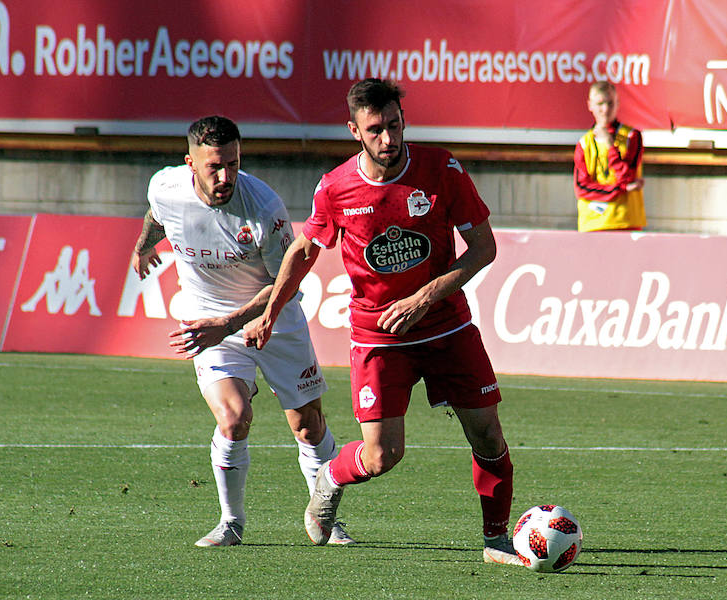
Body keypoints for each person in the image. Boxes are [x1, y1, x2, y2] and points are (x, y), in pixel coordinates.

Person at [244, 79, 521, 566]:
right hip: (378, 336)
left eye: (394, 125)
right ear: (355, 130)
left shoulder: (442, 169)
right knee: (381, 457)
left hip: (447, 325)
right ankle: (329, 478)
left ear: (403, 119)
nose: (388, 139)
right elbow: (305, 250)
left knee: (488, 433)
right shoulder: (335, 187)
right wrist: (269, 313)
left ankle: (496, 541)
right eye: (376, 130)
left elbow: (484, 248)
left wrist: (426, 295)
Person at [131, 115, 352, 546]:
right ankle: (230, 523)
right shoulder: (166, 186)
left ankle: (325, 518)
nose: (226, 175)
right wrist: (143, 246)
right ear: (189, 164)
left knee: (308, 427)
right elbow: (159, 216)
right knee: (233, 419)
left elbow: (284, 281)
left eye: (232, 163)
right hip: (208, 320)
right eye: (214, 166)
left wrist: (233, 323)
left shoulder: (264, 207)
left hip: (275, 318)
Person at [573, 81, 646, 232]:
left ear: (618, 103)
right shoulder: (584, 143)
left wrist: (610, 145)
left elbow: (628, 177)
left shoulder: (631, 136)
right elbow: (581, 188)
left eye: (610, 103)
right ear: (590, 105)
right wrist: (620, 189)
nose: (605, 110)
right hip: (594, 224)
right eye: (600, 104)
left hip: (625, 222)